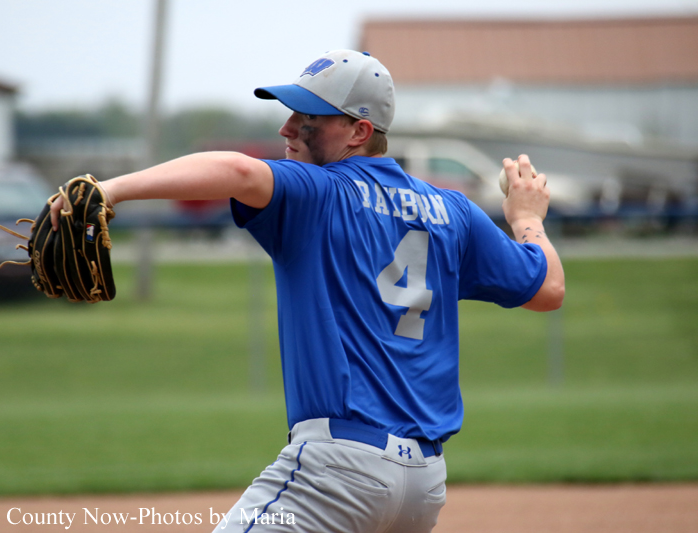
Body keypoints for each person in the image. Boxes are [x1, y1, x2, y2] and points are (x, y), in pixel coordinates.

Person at [52, 49, 565, 532]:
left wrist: (110, 189)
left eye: (308, 119)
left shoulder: (320, 191)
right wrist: (526, 218)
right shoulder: (453, 211)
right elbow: (547, 287)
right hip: (424, 485)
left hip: (339, 471)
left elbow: (235, 171)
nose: (287, 128)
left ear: (359, 131)